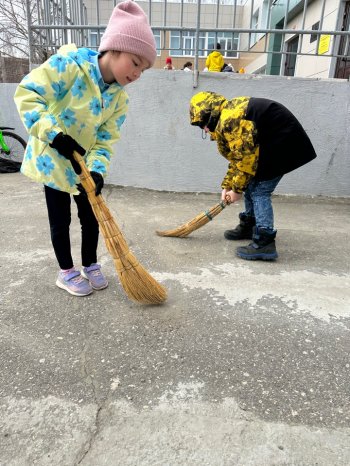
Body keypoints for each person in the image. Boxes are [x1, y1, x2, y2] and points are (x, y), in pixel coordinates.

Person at [14, 0, 157, 296]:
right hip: (53, 161)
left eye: (143, 69)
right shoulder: (69, 66)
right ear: (115, 48)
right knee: (61, 219)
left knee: (91, 216)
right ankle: (66, 272)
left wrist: (98, 169)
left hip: (84, 167)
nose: (137, 74)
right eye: (135, 63)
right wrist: (54, 135)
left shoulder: (119, 99)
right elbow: (27, 94)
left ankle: (91, 263)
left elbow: (106, 138)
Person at [189, 92, 317, 260]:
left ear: (210, 114)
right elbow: (237, 158)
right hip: (268, 145)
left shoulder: (231, 120)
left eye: (202, 124)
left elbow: (246, 158)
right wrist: (228, 185)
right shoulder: (226, 117)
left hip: (284, 145)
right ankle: (250, 225)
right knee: (250, 183)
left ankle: (265, 242)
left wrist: (236, 190)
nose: (204, 129)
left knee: (259, 190)